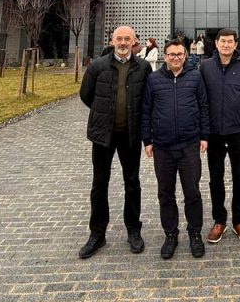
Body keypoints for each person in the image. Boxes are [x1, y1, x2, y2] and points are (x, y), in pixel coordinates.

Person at [78, 25, 153, 259]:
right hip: (103, 135)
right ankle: (97, 233)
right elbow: (86, 95)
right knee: (100, 184)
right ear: (112, 41)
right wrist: (104, 113)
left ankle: (133, 230)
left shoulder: (143, 67)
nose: (122, 43)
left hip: (130, 135)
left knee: (132, 183)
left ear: (134, 42)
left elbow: (147, 99)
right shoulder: (98, 66)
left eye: (127, 39)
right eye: (119, 39)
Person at [142, 39, 209, 259]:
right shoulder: (153, 79)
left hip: (189, 145)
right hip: (163, 147)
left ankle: (195, 233)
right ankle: (170, 234)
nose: (176, 58)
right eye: (171, 54)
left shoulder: (195, 76)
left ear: (185, 55)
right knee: (165, 194)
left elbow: (203, 106)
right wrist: (147, 141)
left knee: (192, 193)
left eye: (179, 54)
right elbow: (146, 111)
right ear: (165, 56)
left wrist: (204, 136)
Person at [199, 28, 240, 244]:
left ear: (235, 44)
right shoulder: (205, 67)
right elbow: (201, 101)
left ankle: (239, 221)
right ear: (216, 44)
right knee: (216, 178)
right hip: (214, 132)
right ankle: (219, 220)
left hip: (238, 132)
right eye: (222, 41)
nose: (226, 45)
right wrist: (202, 132)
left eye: (230, 41)